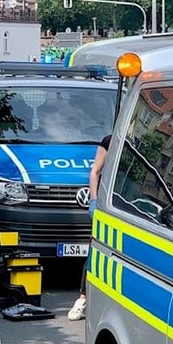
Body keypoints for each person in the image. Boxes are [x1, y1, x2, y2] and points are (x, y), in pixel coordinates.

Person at [68, 133, 112, 321]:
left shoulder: (138, 142)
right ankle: (82, 299)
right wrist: (94, 201)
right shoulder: (110, 141)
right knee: (95, 250)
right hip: (106, 204)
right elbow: (95, 172)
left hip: (128, 204)